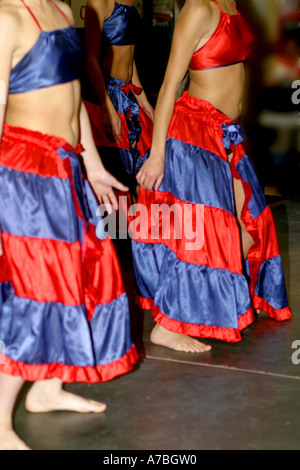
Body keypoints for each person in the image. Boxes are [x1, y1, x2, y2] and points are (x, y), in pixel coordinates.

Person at [0, 0, 138, 450]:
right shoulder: (7, 17)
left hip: (63, 168)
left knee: (76, 276)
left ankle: (46, 388)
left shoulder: (59, 8)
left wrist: (93, 166)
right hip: (23, 173)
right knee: (35, 289)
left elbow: (73, 94)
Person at [132, 0, 292, 353]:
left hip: (225, 133)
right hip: (194, 132)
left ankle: (205, 304)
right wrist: (157, 155)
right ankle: (166, 325)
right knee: (203, 233)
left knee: (250, 225)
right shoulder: (198, 9)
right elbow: (171, 85)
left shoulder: (231, 5)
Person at [83, 0, 154, 199]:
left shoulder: (131, 2)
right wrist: (108, 108)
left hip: (127, 96)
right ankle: (115, 229)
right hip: (105, 97)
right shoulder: (98, 2)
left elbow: (128, 56)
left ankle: (129, 227)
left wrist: (143, 100)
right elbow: (91, 61)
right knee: (117, 174)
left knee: (138, 171)